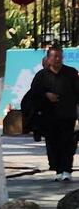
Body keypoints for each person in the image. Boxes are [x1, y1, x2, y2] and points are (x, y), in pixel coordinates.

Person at [22, 44, 79, 180]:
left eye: (59, 56)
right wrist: (46, 95)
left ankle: (66, 170)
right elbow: (33, 94)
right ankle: (58, 169)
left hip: (67, 114)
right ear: (48, 59)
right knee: (53, 144)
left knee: (68, 143)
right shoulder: (41, 76)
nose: (57, 59)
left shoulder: (71, 73)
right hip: (49, 116)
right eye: (54, 56)